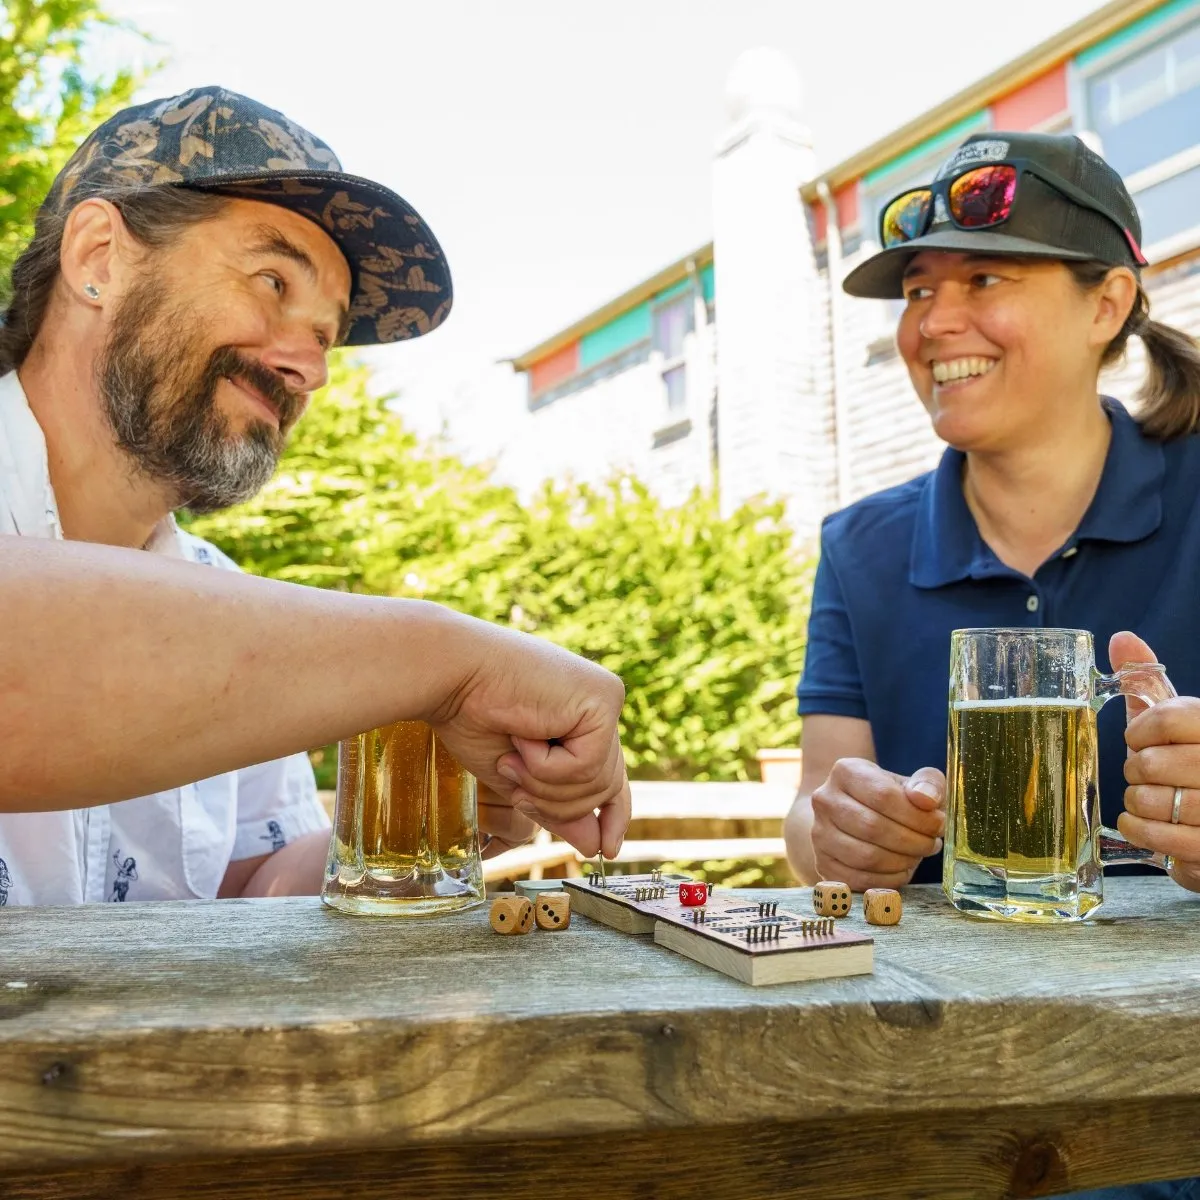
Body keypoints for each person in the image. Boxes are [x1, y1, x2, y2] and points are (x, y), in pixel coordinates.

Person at [0, 86, 630, 907]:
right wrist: (448, 663)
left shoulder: (222, 600)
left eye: (327, 334)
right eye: (271, 282)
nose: (312, 368)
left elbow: (252, 884)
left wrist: (423, 826)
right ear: (98, 259)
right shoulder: (246, 630)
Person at [783, 128, 1200, 1200]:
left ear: (1107, 305)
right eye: (917, 291)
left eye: (984, 276)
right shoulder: (859, 546)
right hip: (938, 1090)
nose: (935, 323)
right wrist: (843, 834)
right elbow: (814, 807)